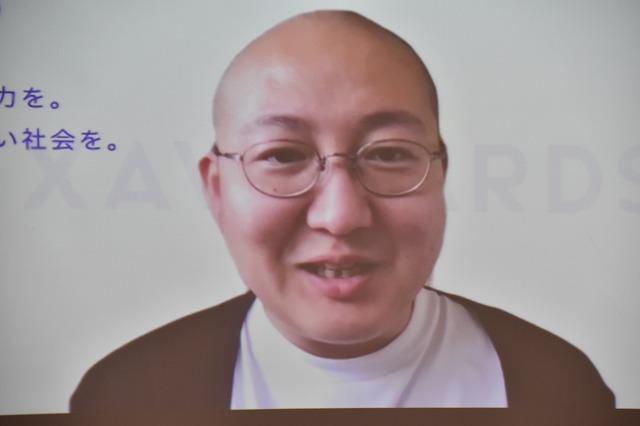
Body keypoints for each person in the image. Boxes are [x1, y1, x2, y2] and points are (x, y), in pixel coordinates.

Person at [70, 10, 614, 415]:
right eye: (282, 156)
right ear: (217, 189)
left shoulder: (558, 388)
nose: (340, 215)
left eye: (389, 154)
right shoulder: (126, 398)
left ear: (440, 174)